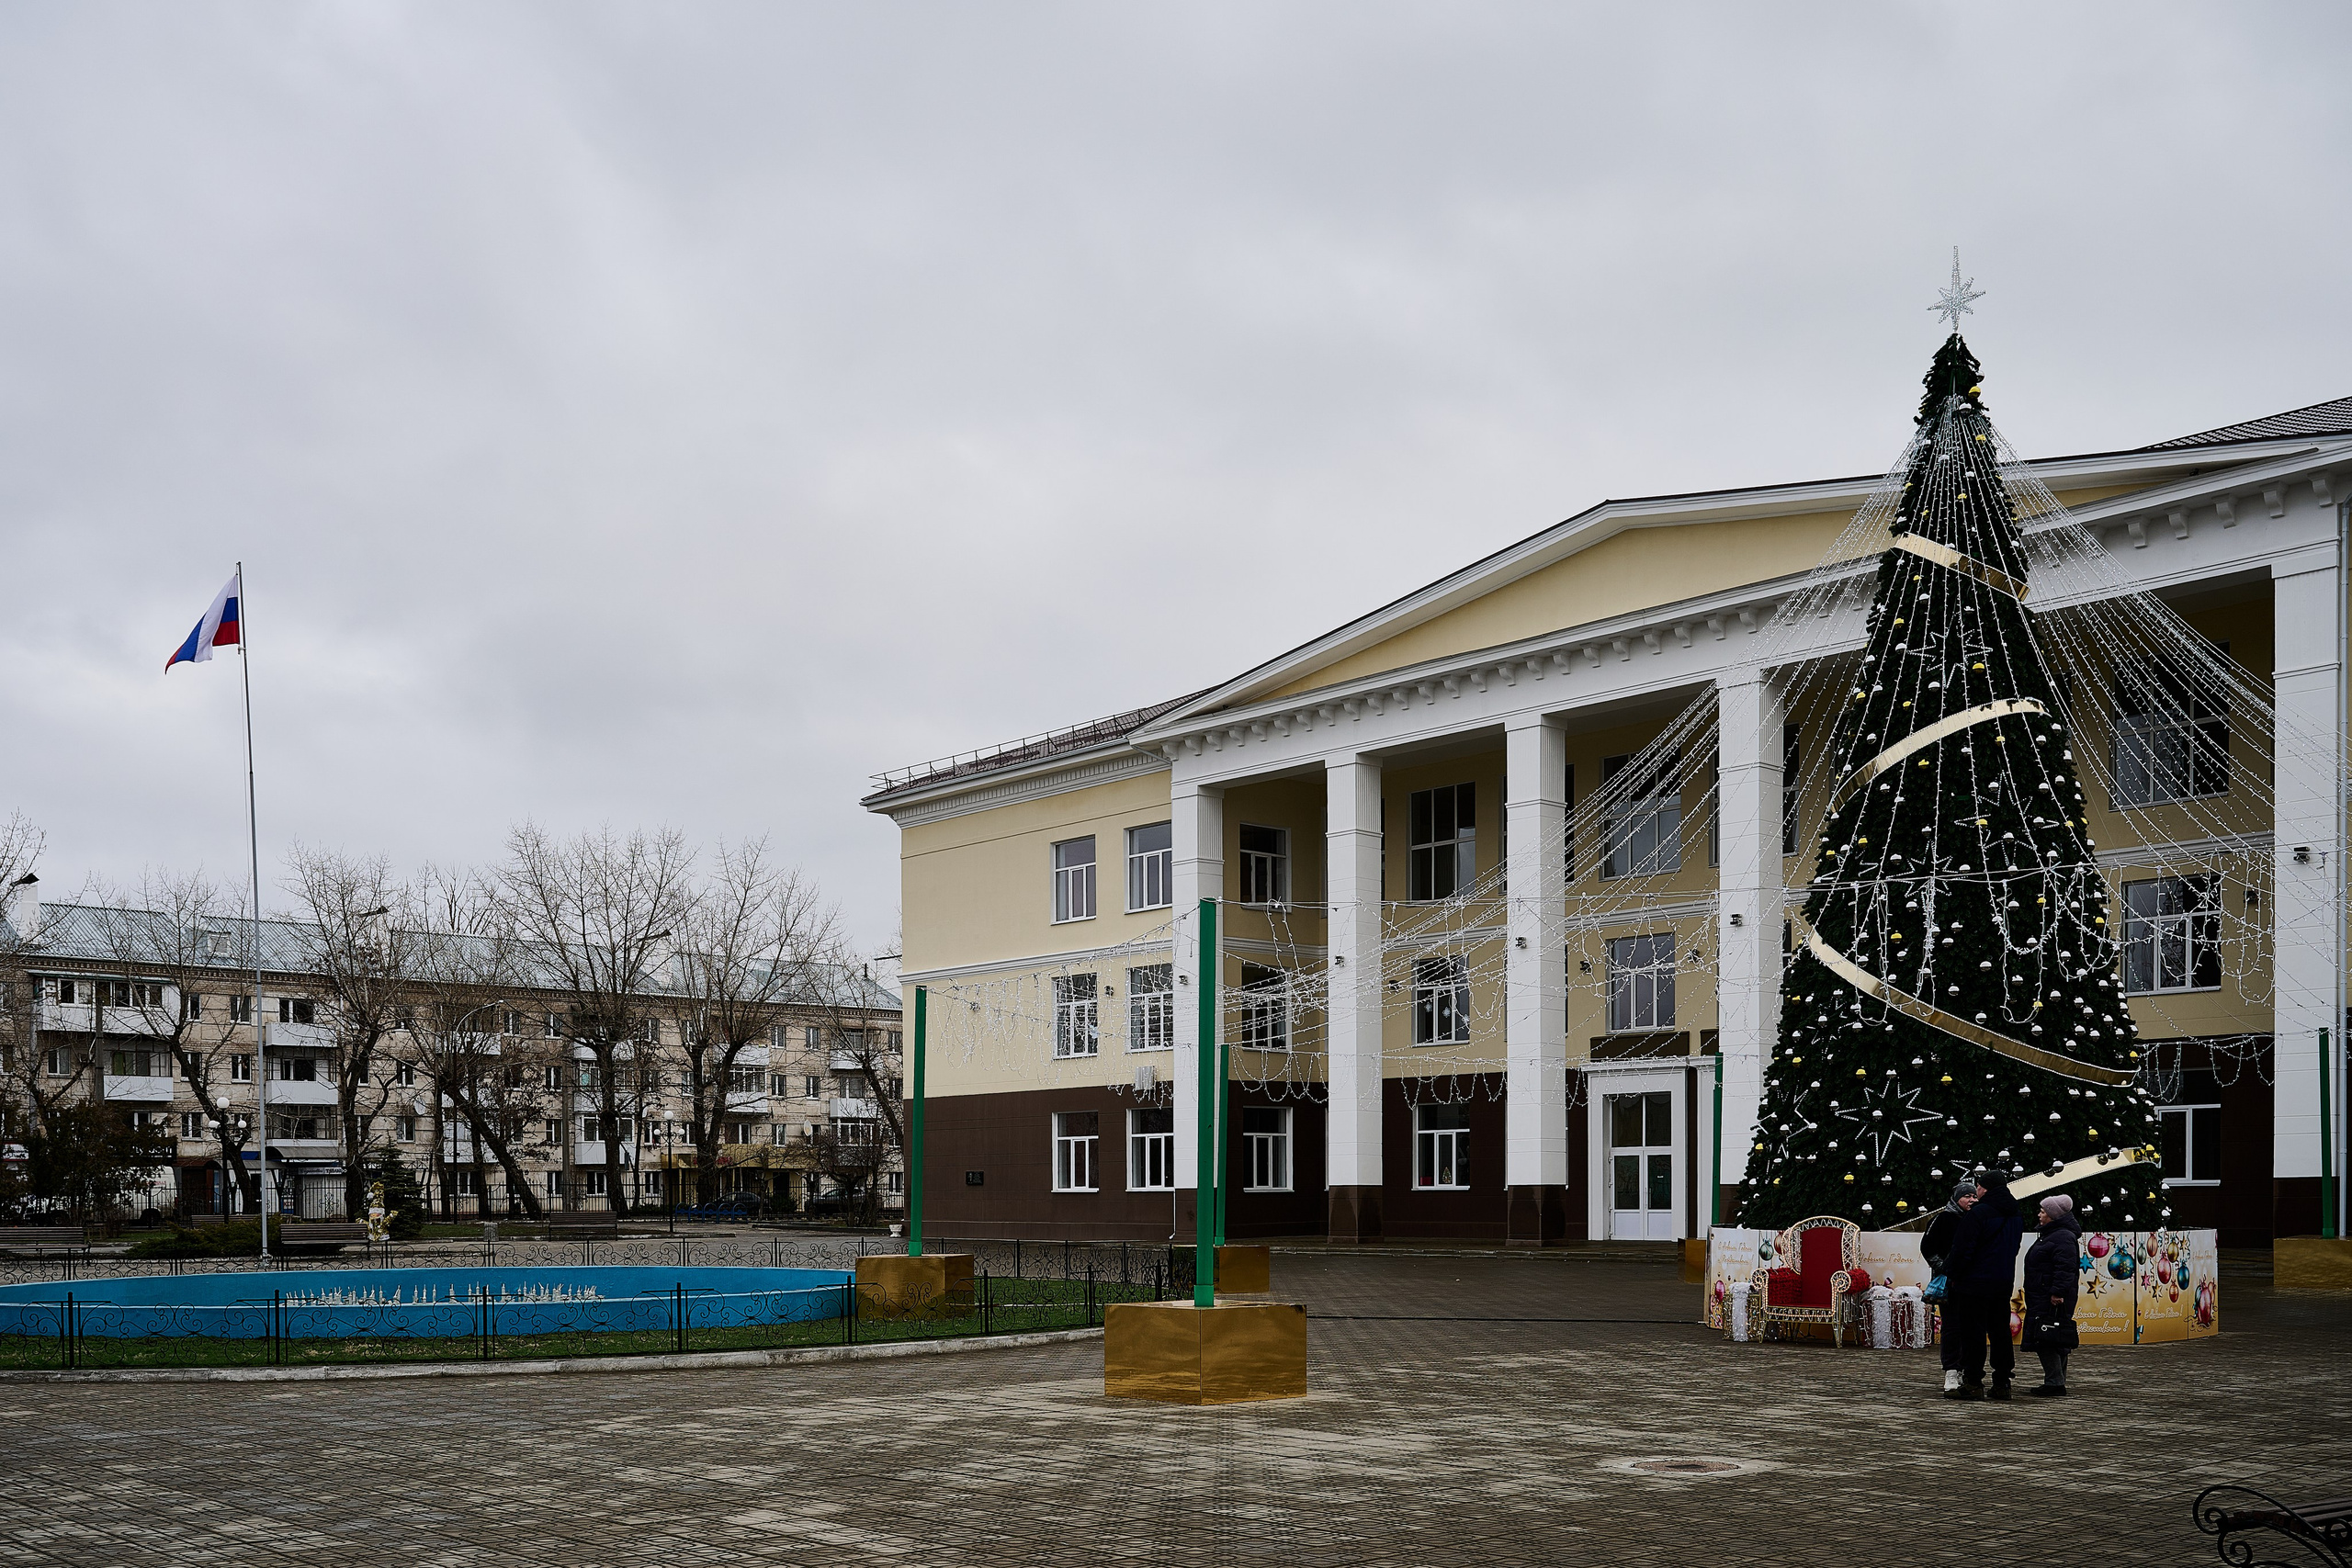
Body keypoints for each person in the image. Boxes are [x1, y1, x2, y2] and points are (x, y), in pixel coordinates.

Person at [1939, 1166, 2025, 1400]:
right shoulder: (2016, 1213)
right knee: (2000, 1332)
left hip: (1974, 1283)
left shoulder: (1979, 1213)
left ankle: (1973, 1382)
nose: (1976, 1191)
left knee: (1972, 1333)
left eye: (1978, 1186)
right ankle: (2002, 1382)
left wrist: (1953, 1273)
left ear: (1985, 1188)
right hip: (2002, 1281)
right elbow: (2014, 1247)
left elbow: (1963, 1249)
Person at [2020, 1194, 2083, 1396]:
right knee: (2055, 1337)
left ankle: (2055, 1383)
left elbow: (2065, 1268)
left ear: (2054, 1216)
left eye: (2043, 1211)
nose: (2039, 1215)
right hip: (2043, 1293)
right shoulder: (2054, 1234)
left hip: (2050, 1296)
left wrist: (2057, 1292)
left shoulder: (2062, 1236)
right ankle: (2057, 1381)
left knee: (2047, 1336)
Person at [1921, 1179, 1978, 1395]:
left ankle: (1966, 1369)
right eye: (1967, 1196)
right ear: (1956, 1199)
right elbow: (1927, 1247)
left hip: (1972, 1283)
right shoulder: (1943, 1218)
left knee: (1969, 1327)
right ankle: (1951, 1371)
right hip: (1949, 1284)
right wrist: (1945, 1268)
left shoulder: (1976, 1219)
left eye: (1974, 1196)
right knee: (1952, 1327)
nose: (1971, 1200)